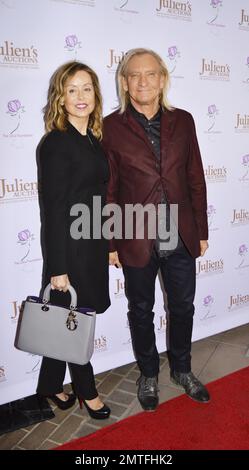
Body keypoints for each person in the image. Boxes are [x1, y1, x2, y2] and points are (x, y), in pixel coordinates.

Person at [102, 48, 210, 411]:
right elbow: (109, 189)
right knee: (141, 308)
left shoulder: (185, 120)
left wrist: (202, 229)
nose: (143, 81)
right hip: (136, 233)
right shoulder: (111, 127)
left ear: (162, 78)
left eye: (150, 74)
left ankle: (182, 369)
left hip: (178, 231)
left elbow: (195, 177)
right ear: (125, 81)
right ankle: (148, 373)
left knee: (183, 306)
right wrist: (111, 241)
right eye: (135, 75)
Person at [36, 61, 111, 419]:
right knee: (75, 323)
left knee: (66, 320)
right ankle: (88, 391)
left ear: (95, 94)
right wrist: (58, 268)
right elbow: (52, 210)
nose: (81, 97)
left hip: (92, 244)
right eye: (72, 90)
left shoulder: (93, 140)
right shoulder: (55, 143)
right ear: (60, 98)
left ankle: (50, 385)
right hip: (70, 251)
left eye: (87, 88)